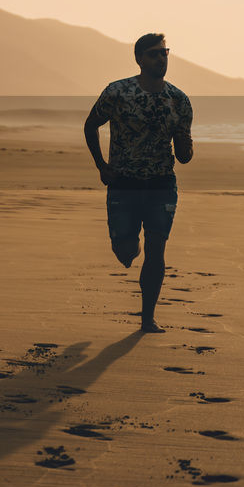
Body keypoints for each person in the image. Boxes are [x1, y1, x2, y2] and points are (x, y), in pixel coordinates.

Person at [84, 33, 194, 333]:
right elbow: (91, 125)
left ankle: (148, 319)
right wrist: (101, 166)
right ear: (139, 59)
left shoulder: (179, 100)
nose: (161, 58)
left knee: (156, 250)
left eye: (164, 52)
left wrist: (185, 145)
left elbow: (184, 156)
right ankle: (125, 247)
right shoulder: (118, 92)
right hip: (124, 183)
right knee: (126, 250)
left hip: (161, 184)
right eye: (154, 54)